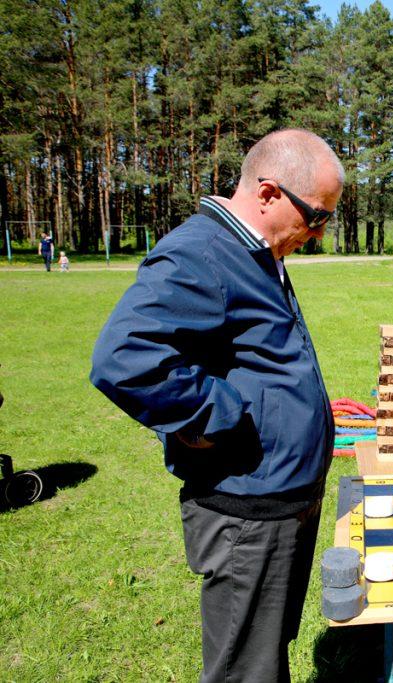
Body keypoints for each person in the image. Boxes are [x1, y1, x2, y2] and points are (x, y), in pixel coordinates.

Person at [90, 129, 344, 682]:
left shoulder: (254, 250)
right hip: (246, 509)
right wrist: (215, 418)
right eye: (317, 216)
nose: (319, 233)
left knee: (265, 649)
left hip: (281, 497)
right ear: (270, 192)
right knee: (244, 670)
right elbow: (124, 357)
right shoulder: (203, 252)